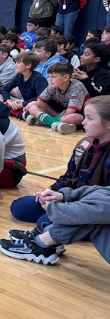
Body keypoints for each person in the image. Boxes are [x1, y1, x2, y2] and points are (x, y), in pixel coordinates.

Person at [12, 96, 110, 224]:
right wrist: (50, 191)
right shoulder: (84, 144)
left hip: (93, 209)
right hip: (70, 197)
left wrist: (66, 202)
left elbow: (103, 201)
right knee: (20, 207)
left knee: (45, 221)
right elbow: (68, 176)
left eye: (90, 118)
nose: (84, 122)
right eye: (84, 117)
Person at [0, 185, 110, 266]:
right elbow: (104, 191)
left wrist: (55, 208)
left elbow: (101, 209)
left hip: (93, 208)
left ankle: (41, 243)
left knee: (91, 217)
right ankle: (45, 240)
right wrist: (61, 195)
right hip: (87, 201)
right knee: (20, 207)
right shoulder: (85, 152)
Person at [23, 62, 88, 134]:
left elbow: (70, 111)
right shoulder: (53, 84)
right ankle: (56, 124)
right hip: (59, 113)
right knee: (32, 106)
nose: (50, 79)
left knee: (72, 118)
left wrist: (56, 116)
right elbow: (40, 102)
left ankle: (43, 121)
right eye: (49, 76)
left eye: (53, 77)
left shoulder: (77, 86)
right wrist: (56, 115)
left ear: (66, 77)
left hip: (75, 114)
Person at [1, 52, 48, 118]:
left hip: (37, 105)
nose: (15, 65)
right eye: (16, 62)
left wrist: (23, 103)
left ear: (28, 65)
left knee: (31, 107)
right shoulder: (19, 76)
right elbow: (5, 89)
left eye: (18, 63)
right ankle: (22, 114)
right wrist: (9, 101)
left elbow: (41, 97)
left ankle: (22, 114)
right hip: (24, 104)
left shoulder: (39, 79)